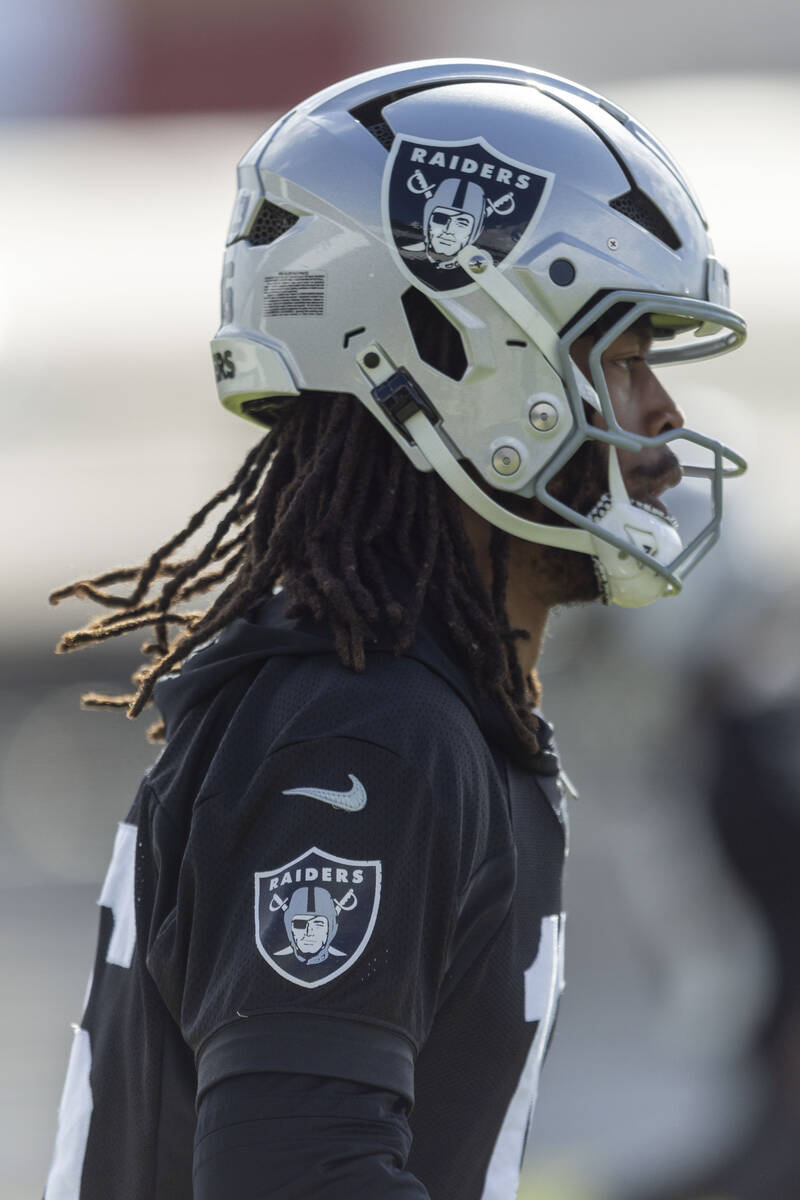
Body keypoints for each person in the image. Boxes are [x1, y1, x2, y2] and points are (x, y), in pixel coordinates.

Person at [43, 59, 747, 1200]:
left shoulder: (410, 707)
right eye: (620, 356)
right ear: (463, 360)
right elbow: (296, 1178)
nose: (663, 414)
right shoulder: (365, 736)